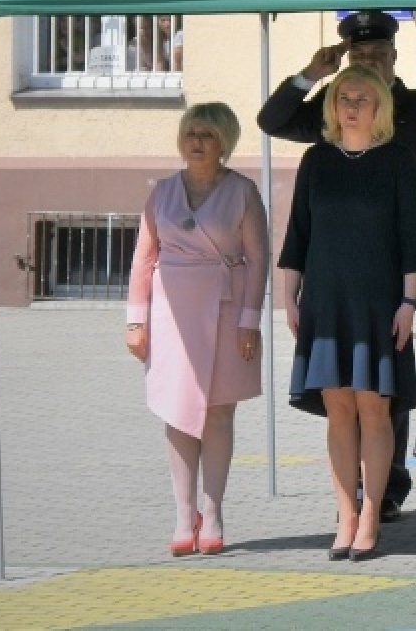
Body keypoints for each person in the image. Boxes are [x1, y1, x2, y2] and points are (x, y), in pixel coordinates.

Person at [258, 9, 416, 523]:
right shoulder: (334, 103)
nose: (369, 62)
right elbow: (272, 121)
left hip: (390, 270)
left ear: (394, 56)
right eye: (359, 55)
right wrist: (311, 74)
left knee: (383, 386)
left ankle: (386, 486)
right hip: (336, 275)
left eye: (378, 54)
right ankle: (360, 495)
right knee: (346, 393)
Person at [282, 64, 416, 562]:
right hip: (325, 300)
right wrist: (289, 297)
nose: (351, 106)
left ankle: (370, 517)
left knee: (373, 408)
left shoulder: (399, 160)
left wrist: (409, 303)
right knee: (338, 408)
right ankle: (345, 515)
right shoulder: (317, 160)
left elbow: (412, 240)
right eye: (344, 97)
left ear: (379, 107)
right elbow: (298, 233)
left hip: (378, 301)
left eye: (362, 99)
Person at [125, 102, 269, 557]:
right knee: (177, 412)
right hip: (171, 315)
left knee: (219, 411)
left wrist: (250, 321)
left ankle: (213, 510)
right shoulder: (162, 192)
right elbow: (143, 257)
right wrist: (135, 319)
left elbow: (259, 260)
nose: (197, 142)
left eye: (207, 134)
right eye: (191, 133)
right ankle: (183, 514)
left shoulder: (243, 191)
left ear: (224, 141)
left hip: (227, 311)